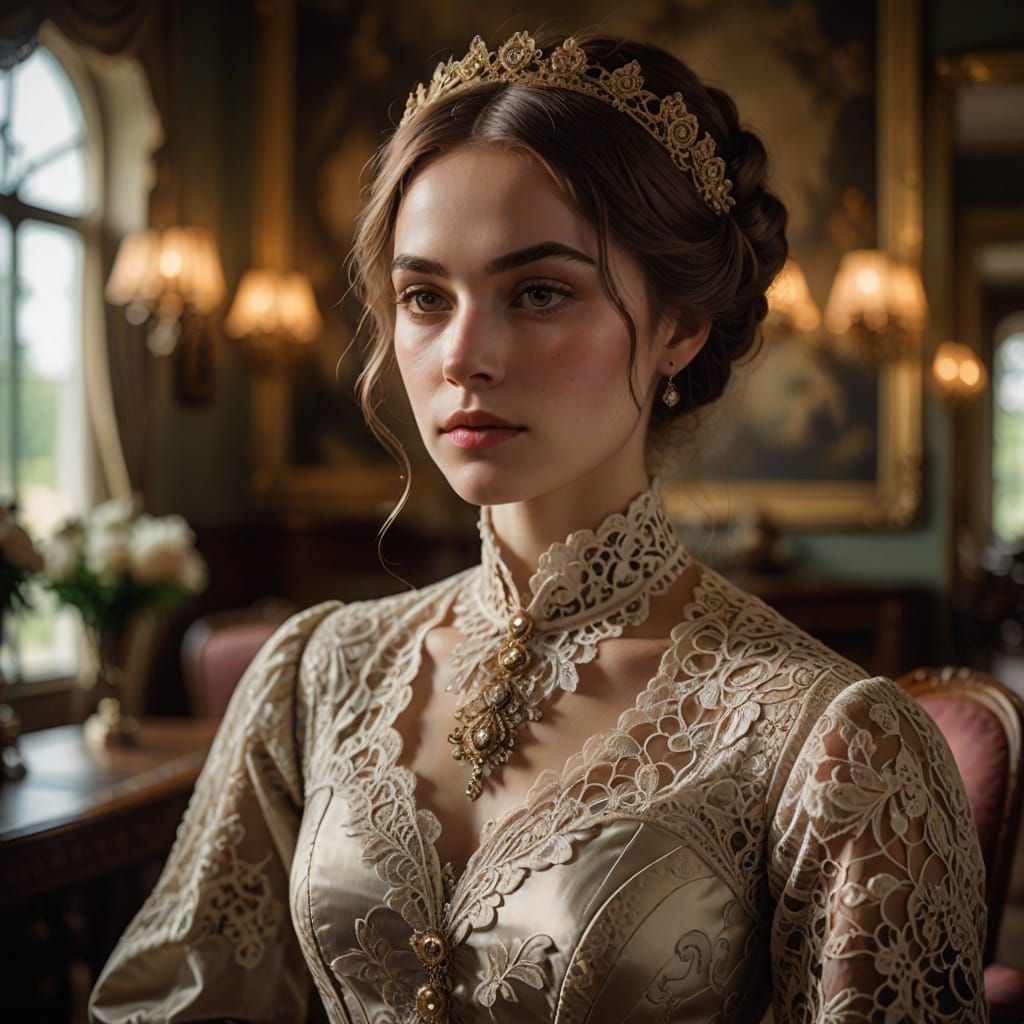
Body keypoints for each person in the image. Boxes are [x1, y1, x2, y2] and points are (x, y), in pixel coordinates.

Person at [89, 29, 988, 1024]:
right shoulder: (313, 677)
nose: (462, 354)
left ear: (680, 328)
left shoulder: (828, 739)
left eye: (539, 292)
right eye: (424, 296)